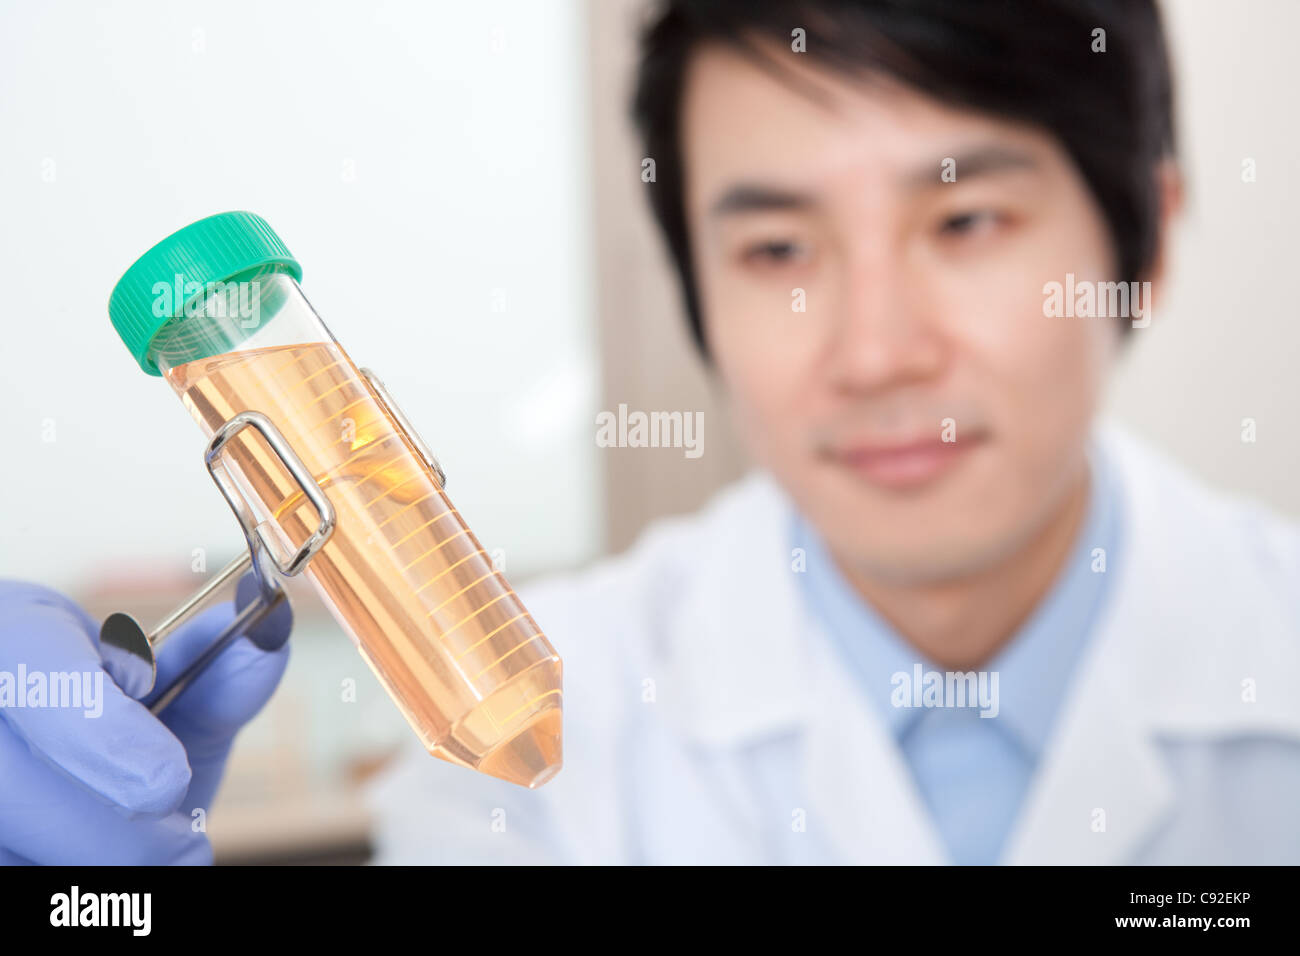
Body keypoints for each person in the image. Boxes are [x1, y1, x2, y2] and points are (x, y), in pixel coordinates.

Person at [3, 0, 1298, 865]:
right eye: (778, 247)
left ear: (1151, 241)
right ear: (697, 288)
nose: (874, 350)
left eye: (964, 224)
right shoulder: (527, 765)